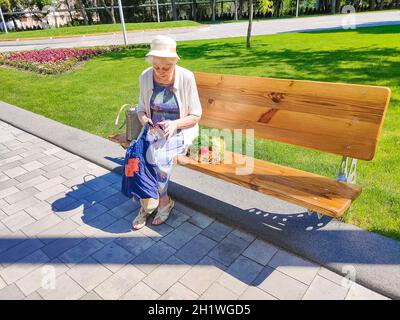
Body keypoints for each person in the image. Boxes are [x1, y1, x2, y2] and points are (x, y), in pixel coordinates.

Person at [132, 35, 202, 230]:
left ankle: (162, 202)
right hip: (153, 131)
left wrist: (175, 124)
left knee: (158, 159)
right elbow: (140, 109)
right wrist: (145, 120)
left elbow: (196, 115)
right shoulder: (145, 76)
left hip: (180, 130)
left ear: (174, 63)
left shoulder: (186, 77)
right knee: (137, 160)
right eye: (157, 67)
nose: (160, 72)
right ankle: (148, 203)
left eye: (166, 68)